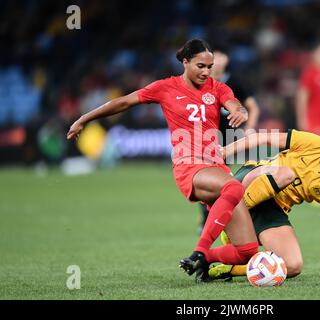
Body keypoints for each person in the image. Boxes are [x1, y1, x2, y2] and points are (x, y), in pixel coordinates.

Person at [66, 39, 259, 282]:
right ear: (185, 62)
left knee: (247, 251)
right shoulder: (165, 88)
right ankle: (199, 251)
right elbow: (124, 102)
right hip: (189, 166)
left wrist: (239, 111)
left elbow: (235, 104)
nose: (206, 72)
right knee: (233, 187)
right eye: (200, 66)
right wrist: (84, 118)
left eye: (209, 67)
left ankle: (206, 262)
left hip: (215, 166)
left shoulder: (217, 88)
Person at [207, 129, 320, 281]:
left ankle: (229, 269)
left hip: (273, 208)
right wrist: (224, 151)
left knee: (293, 266)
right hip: (254, 176)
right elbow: (262, 137)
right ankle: (233, 210)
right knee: (286, 174)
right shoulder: (315, 144)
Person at [197, 48, 261, 233]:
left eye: (221, 56)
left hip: (229, 139)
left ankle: (214, 218)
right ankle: (208, 219)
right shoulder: (201, 82)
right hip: (205, 136)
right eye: (214, 57)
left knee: (220, 178)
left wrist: (249, 128)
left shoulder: (235, 81)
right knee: (206, 176)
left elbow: (252, 107)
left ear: (227, 59)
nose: (218, 60)